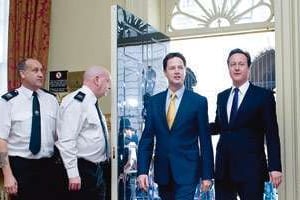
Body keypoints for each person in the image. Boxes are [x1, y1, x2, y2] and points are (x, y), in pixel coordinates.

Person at [137, 52, 214, 200]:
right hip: (163, 172)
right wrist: (142, 171)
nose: (177, 71)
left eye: (180, 67)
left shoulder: (198, 102)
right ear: (165, 72)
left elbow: (205, 141)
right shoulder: (154, 102)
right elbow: (147, 139)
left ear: (185, 71)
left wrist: (207, 175)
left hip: (188, 171)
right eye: (172, 68)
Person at [210, 48, 282, 200]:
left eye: (241, 64)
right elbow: (219, 126)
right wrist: (194, 124)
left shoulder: (263, 96)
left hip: (251, 170)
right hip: (224, 169)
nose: (236, 67)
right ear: (228, 68)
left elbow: (271, 133)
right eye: (233, 64)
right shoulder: (222, 97)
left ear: (248, 68)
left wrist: (275, 167)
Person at [0, 58, 59, 200]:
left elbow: (59, 136)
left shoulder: (51, 100)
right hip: (21, 166)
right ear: (22, 74)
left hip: (48, 166)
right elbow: (1, 141)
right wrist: (7, 175)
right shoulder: (8, 101)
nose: (40, 74)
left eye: (41, 70)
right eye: (35, 70)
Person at [55, 66, 111, 200]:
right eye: (108, 81)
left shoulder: (91, 102)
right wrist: (73, 173)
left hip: (96, 169)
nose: (110, 86)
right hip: (82, 169)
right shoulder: (76, 101)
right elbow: (67, 140)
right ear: (97, 80)